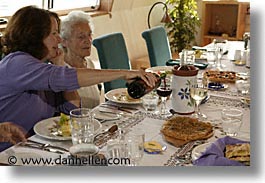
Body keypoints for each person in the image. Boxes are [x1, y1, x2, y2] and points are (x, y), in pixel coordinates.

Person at [0, 6, 157, 151]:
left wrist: (60, 64)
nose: (59, 40)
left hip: (38, 149)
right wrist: (124, 73)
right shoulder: (17, 63)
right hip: (9, 153)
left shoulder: (44, 66)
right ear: (34, 36)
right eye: (54, 34)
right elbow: (64, 78)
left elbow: (71, 111)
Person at [60, 10, 101, 109]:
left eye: (89, 35)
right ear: (64, 42)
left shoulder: (90, 63)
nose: (88, 41)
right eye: (81, 37)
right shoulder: (61, 71)